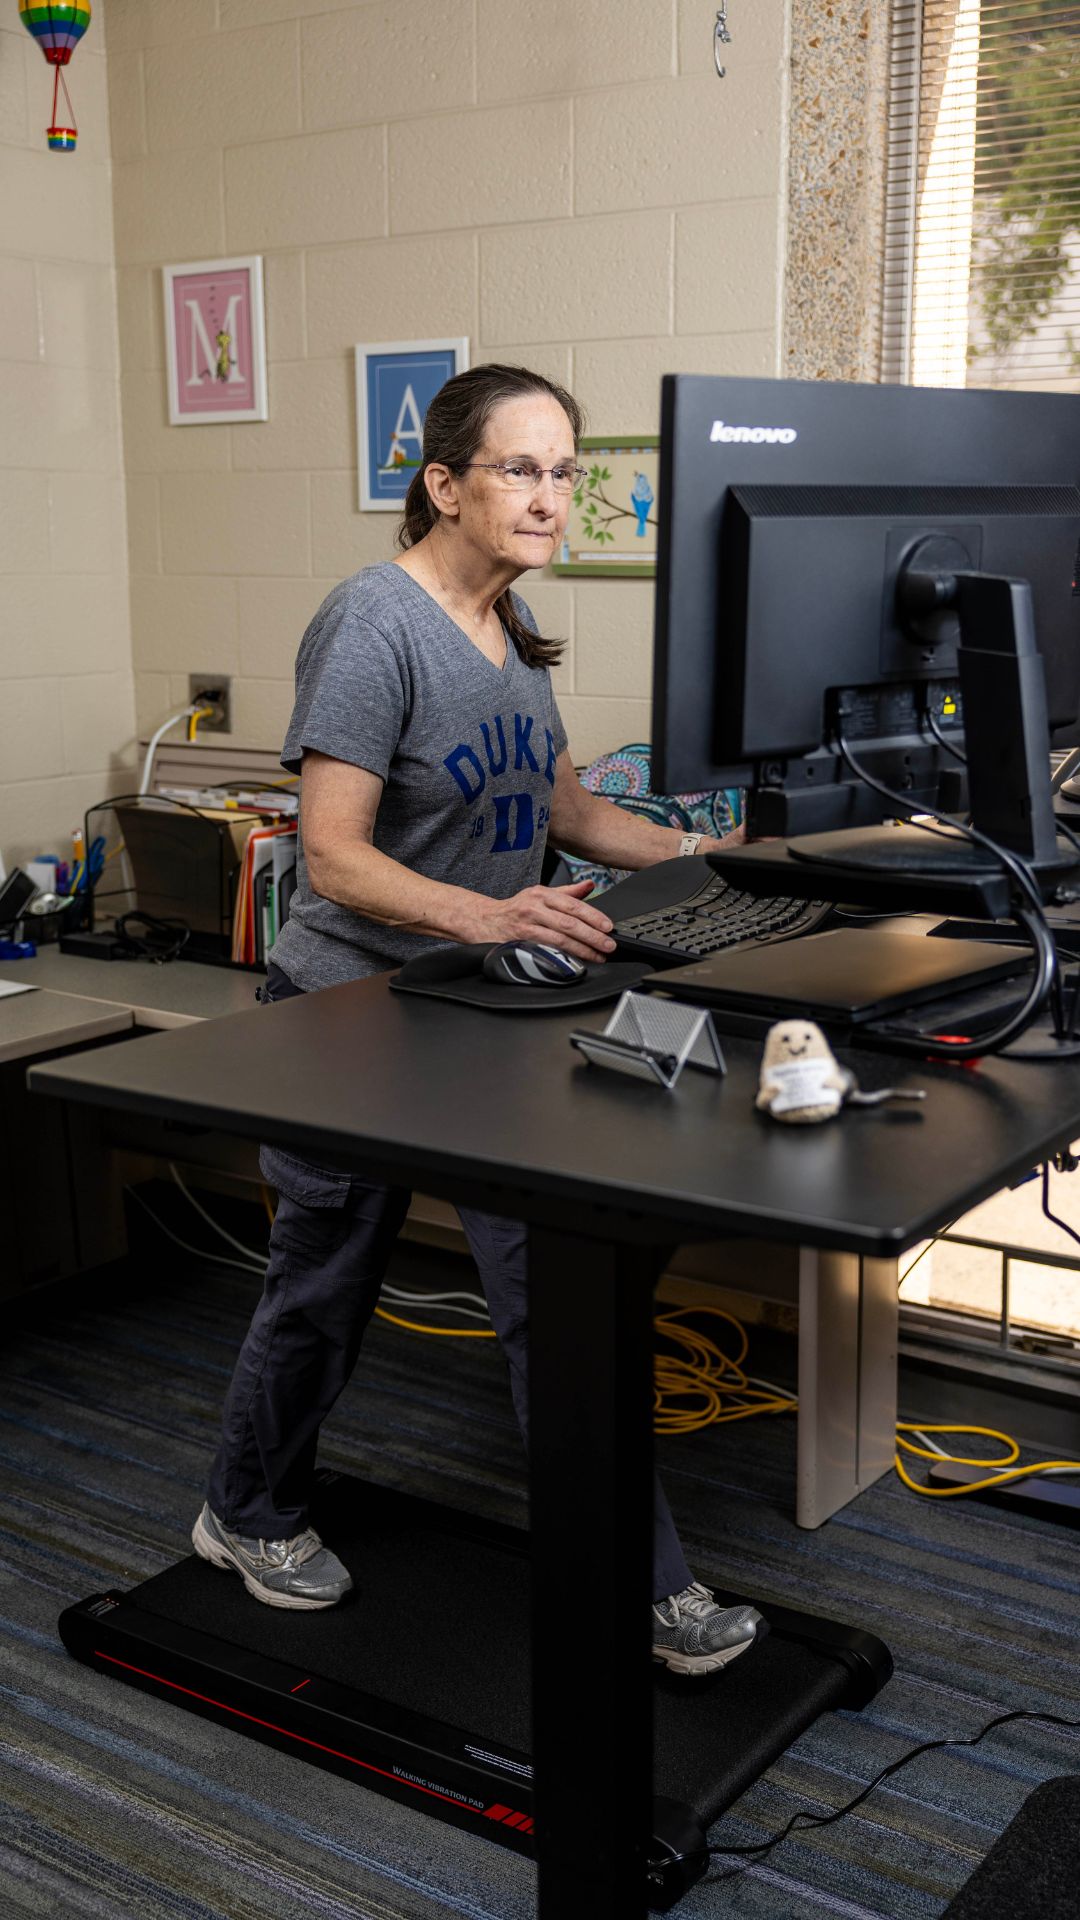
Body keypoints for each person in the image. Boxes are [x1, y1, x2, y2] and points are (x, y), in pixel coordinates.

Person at [192, 363, 764, 1678]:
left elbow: (569, 814)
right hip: (347, 1022)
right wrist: (491, 915)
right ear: (443, 483)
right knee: (322, 1293)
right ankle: (245, 1509)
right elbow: (331, 858)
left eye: (567, 473)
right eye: (521, 469)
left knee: (550, 1296)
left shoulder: (512, 635)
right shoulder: (374, 625)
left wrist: (721, 852)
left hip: (476, 1018)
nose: (551, 498)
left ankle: (646, 1578)